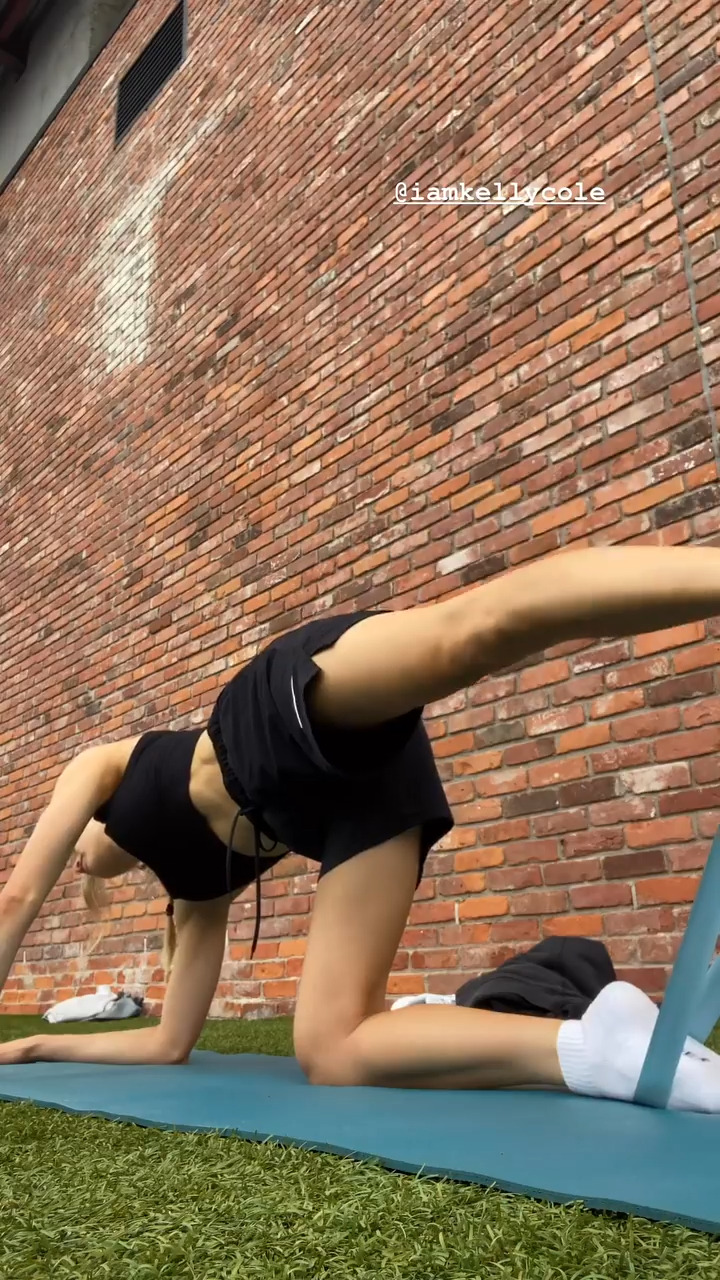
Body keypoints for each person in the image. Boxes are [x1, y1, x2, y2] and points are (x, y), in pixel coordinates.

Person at [2, 543, 720, 1112]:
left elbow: (17, 897)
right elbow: (167, 1046)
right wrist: (34, 1048)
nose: (80, 862)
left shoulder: (104, 768)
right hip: (352, 805)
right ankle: (597, 1046)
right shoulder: (197, 896)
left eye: (82, 847)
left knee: (470, 634)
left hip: (271, 720)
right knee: (332, 1049)